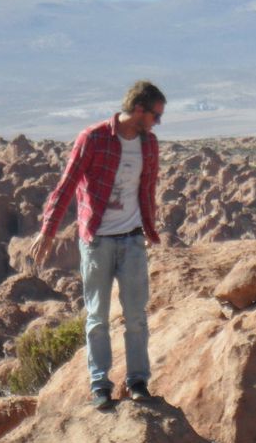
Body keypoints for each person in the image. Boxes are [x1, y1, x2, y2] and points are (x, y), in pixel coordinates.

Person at [29, 80, 165, 409]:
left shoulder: (149, 145)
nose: (157, 123)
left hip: (132, 239)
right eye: (155, 116)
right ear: (138, 110)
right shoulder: (93, 138)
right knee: (97, 316)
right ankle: (99, 384)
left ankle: (137, 382)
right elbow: (68, 182)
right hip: (97, 241)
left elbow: (147, 188)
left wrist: (149, 226)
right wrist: (48, 229)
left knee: (136, 316)